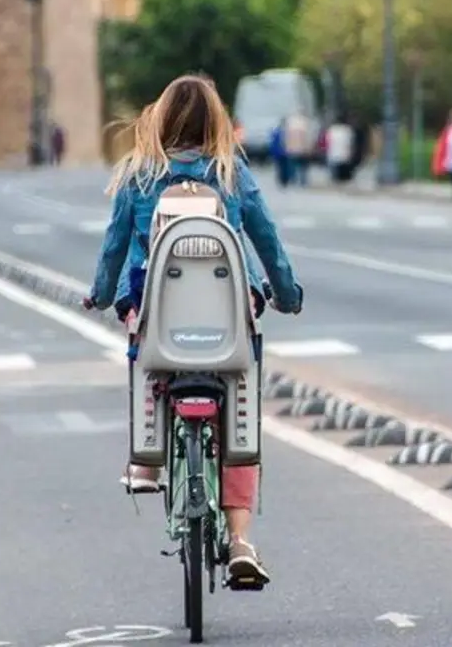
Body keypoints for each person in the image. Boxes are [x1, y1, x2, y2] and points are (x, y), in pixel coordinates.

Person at [82, 74, 304, 589]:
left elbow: (114, 247)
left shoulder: (139, 174)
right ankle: (241, 540)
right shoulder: (231, 172)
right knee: (239, 398)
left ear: (160, 119)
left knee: (145, 355)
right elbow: (267, 240)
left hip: (157, 314)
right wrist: (286, 295)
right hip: (228, 315)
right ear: (216, 122)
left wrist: (102, 294)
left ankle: (146, 460)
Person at [324, 113, 356, 184]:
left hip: (333, 152)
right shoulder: (347, 130)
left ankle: (335, 181)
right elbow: (349, 143)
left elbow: (327, 141)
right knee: (343, 173)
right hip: (344, 153)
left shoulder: (332, 129)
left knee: (334, 172)